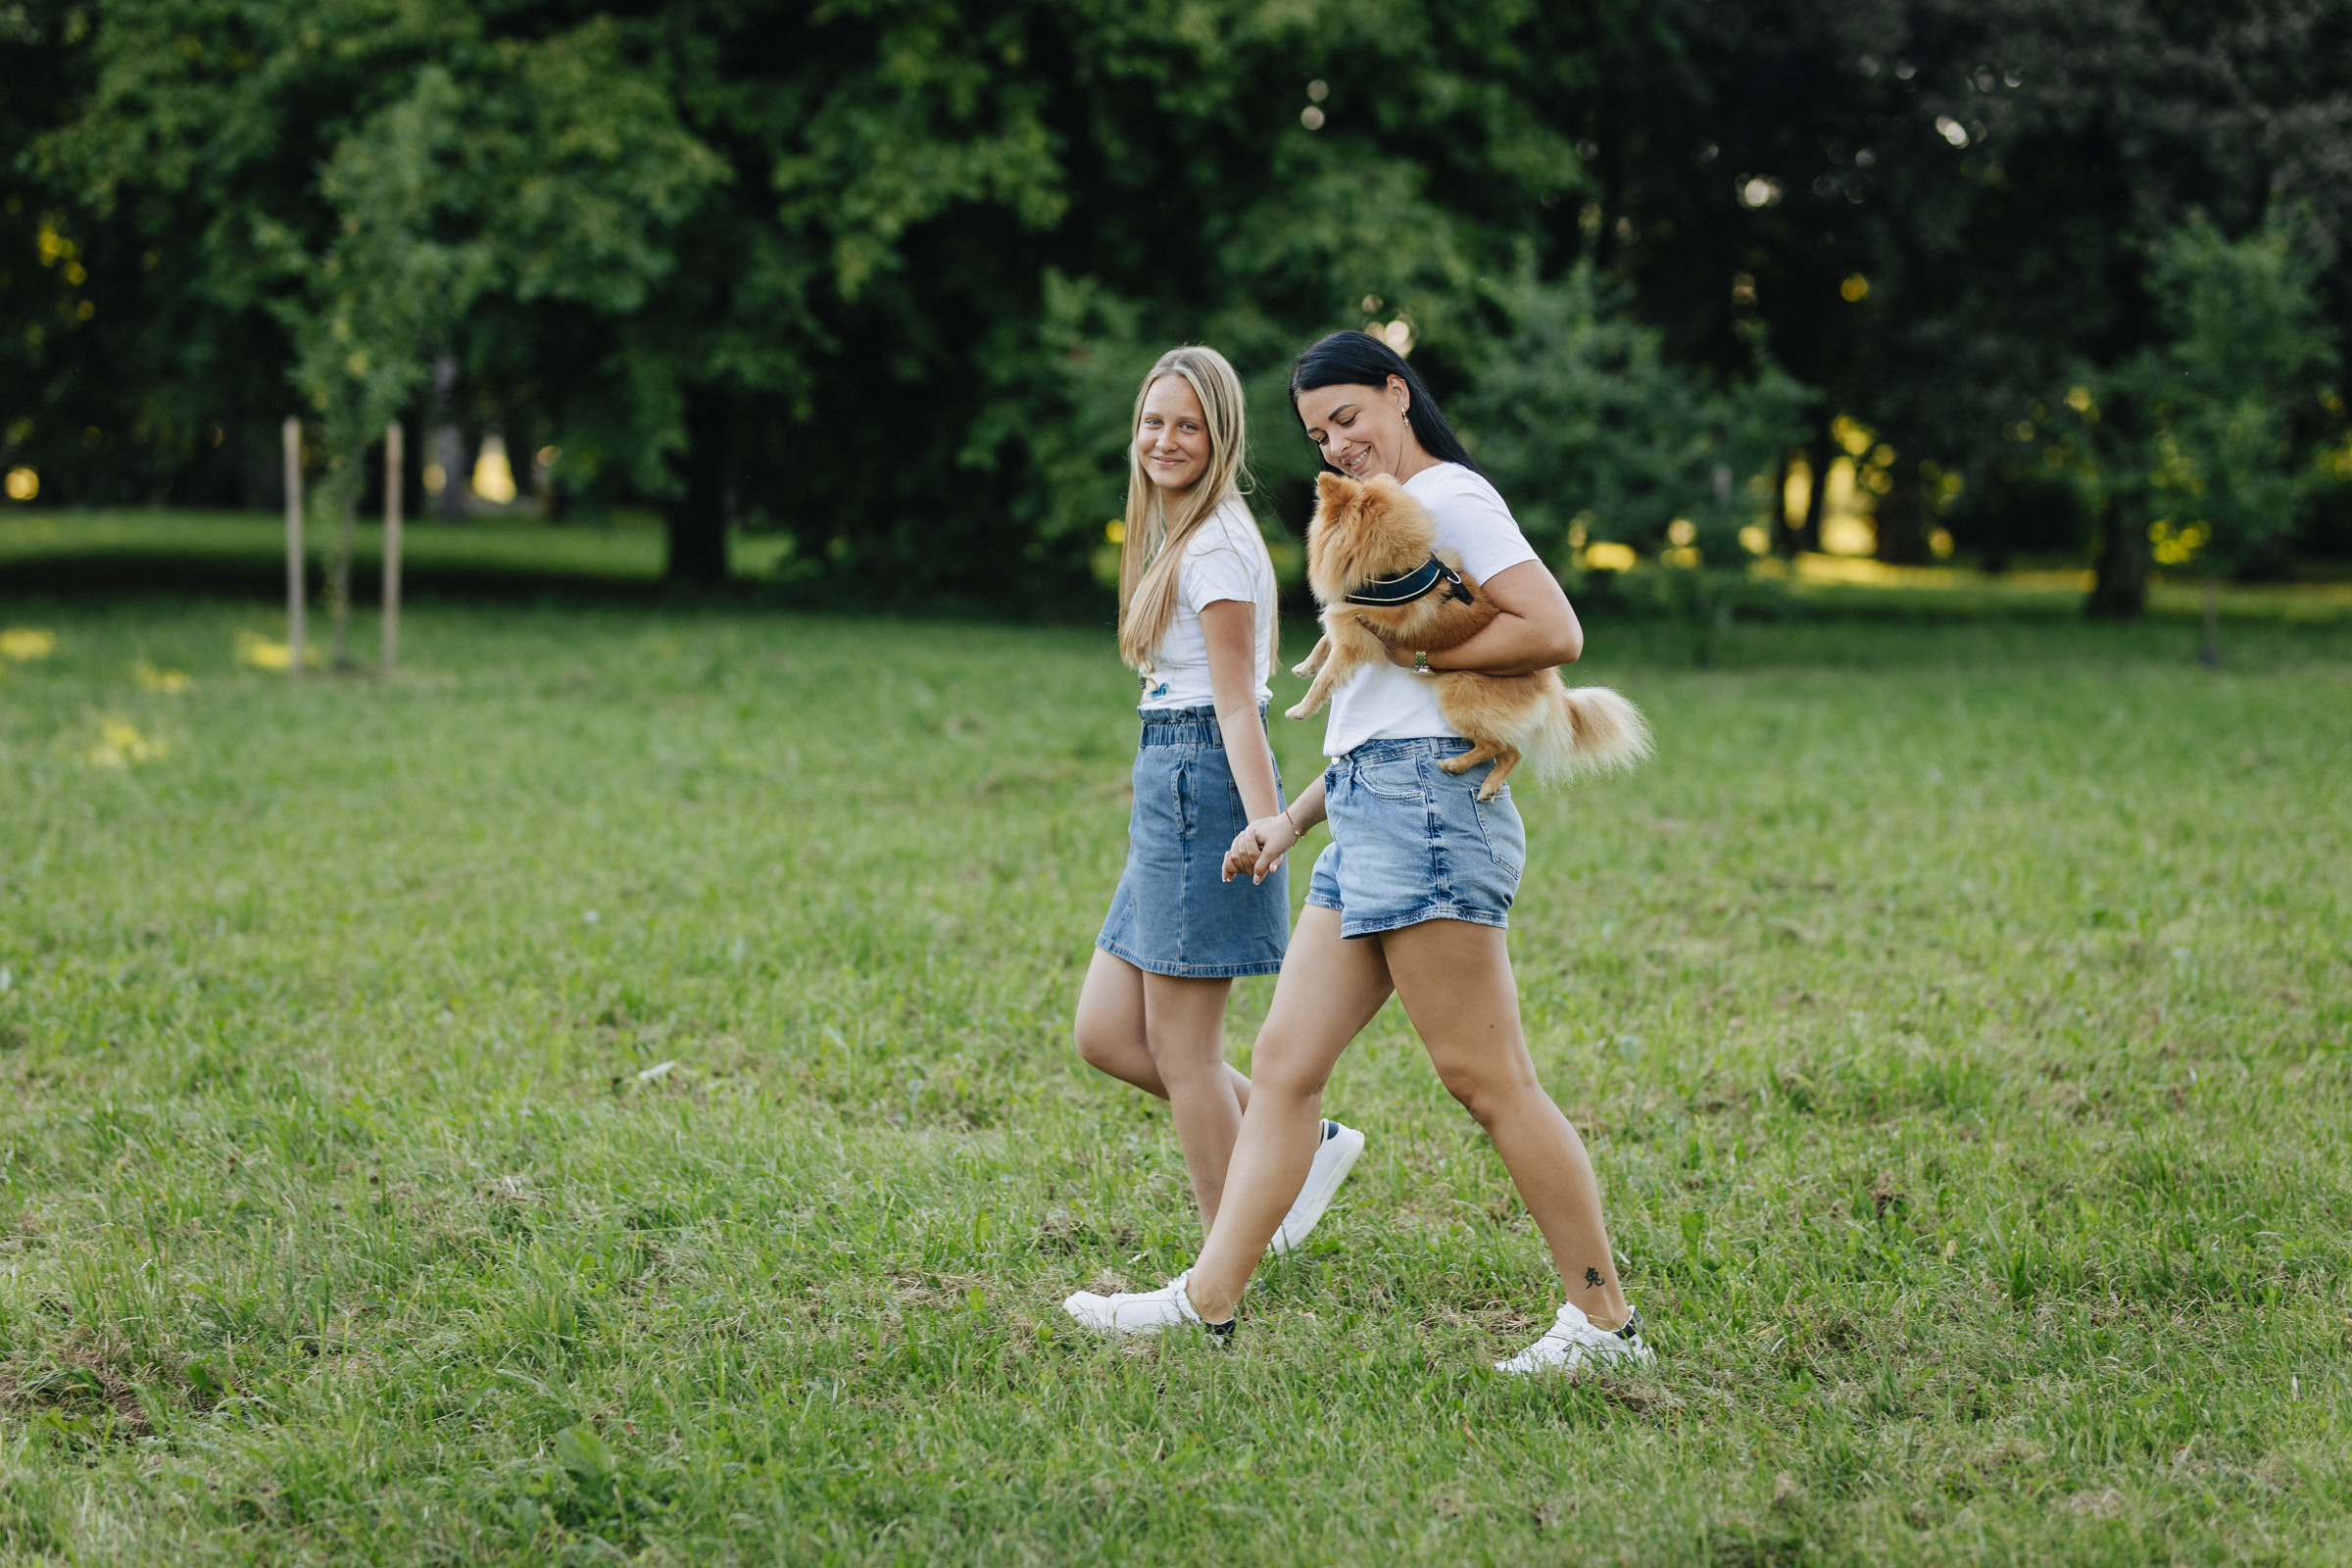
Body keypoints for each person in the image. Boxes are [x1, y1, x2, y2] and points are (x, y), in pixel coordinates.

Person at [1062, 331, 1653, 1375]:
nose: (1338, 445)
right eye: (1318, 434)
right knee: (1286, 1070)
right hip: (1376, 808)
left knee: (1489, 1080)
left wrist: (1420, 644)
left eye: (1349, 417)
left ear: (1396, 391)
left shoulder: (1452, 498)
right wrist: (1292, 821)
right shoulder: (1378, 517)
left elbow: (1554, 629)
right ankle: (1208, 1301)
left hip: (1432, 815)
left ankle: (1604, 1325)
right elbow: (1375, 725)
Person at [1066, 345, 1364, 1273]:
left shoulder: (1222, 546)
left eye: (1187, 424)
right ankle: (1302, 1149)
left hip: (1204, 779)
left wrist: (1265, 821)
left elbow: (1240, 701)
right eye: (1153, 421)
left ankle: (1219, 1268)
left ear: (1220, 435)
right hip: (1169, 775)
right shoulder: (1179, 535)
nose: (1165, 439)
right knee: (1109, 1034)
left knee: (1184, 1050)